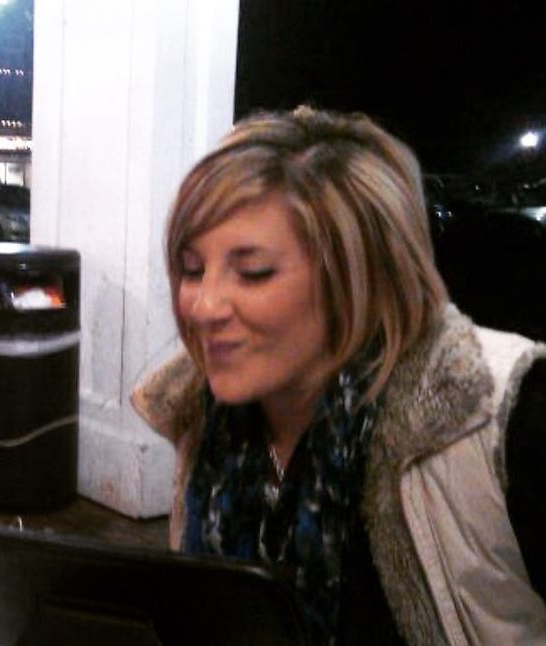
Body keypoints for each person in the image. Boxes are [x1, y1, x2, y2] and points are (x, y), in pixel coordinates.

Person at [131, 106, 546, 645]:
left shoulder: (503, 417)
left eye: (253, 273)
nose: (203, 306)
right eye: (192, 270)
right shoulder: (203, 418)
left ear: (357, 278)